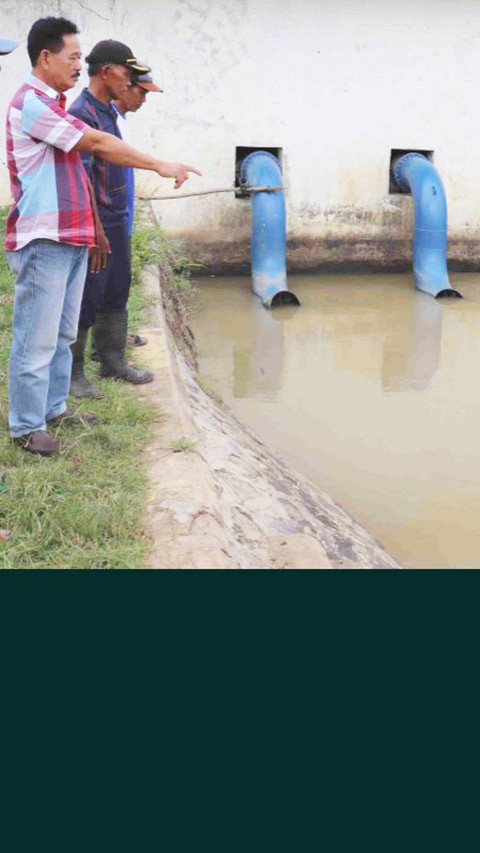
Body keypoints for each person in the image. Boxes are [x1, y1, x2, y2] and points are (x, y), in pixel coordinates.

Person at [5, 18, 201, 455]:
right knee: (35, 338)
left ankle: (54, 409)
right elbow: (95, 144)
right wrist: (160, 165)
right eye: (74, 57)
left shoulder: (52, 103)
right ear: (45, 57)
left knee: (61, 336)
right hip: (45, 237)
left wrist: (92, 230)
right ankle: (25, 427)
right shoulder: (32, 105)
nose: (80, 65)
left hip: (72, 235)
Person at [69, 42, 159, 396]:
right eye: (125, 71)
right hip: (99, 223)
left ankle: (112, 361)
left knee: (116, 288)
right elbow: (83, 178)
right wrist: (96, 231)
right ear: (105, 71)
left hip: (117, 220)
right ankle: (74, 375)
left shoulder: (105, 111)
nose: (128, 79)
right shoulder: (83, 113)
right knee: (88, 295)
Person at [111, 66, 164, 352]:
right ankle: (108, 347)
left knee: (120, 281)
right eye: (142, 92)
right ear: (125, 87)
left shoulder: (120, 120)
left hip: (124, 215)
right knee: (111, 285)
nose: (144, 99)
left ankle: (115, 338)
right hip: (112, 217)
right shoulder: (109, 121)